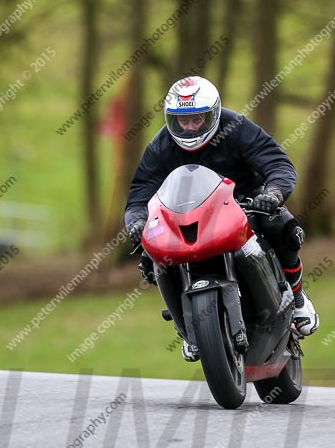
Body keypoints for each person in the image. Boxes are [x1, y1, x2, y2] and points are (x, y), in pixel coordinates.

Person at [124, 76, 319, 361]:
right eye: (181, 121)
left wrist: (273, 193)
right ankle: (188, 329)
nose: (189, 127)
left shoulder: (236, 127)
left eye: (197, 119)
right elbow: (140, 192)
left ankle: (299, 299)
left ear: (213, 114)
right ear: (171, 120)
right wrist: (136, 221)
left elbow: (277, 162)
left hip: (243, 205)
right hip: (186, 216)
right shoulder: (162, 144)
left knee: (282, 225)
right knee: (150, 257)